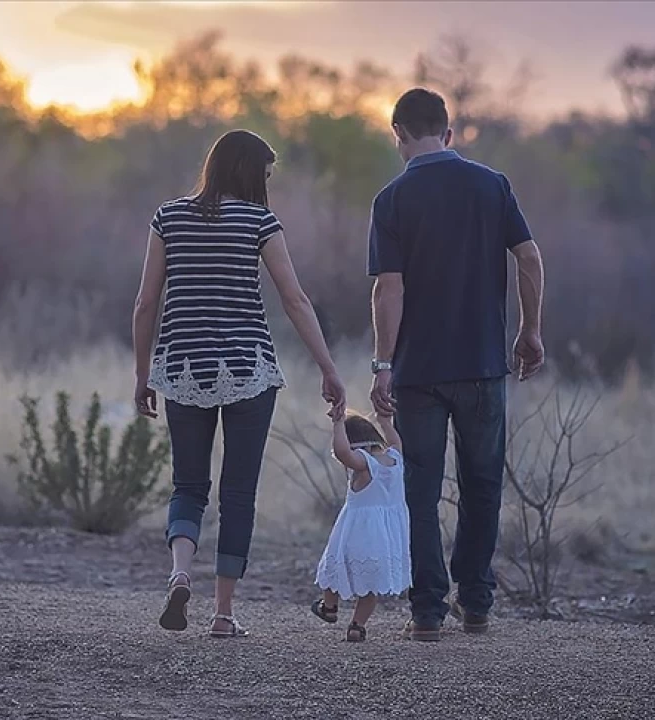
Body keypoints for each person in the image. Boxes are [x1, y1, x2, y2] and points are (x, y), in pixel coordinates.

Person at [132, 129, 347, 638]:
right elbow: (295, 300)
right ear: (250, 173)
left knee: (188, 484)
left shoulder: (168, 217)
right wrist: (328, 368)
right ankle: (224, 614)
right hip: (248, 369)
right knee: (239, 493)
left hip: (182, 368)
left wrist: (144, 375)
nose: (267, 185)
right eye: (266, 175)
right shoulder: (259, 222)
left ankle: (181, 571)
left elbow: (145, 304)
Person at [366, 88, 546, 641]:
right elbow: (529, 257)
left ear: (397, 133)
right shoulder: (492, 185)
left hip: (419, 371)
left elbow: (387, 290)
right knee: (482, 483)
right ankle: (476, 603)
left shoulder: (391, 199)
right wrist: (530, 330)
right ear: (449, 133)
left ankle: (426, 612)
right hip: (483, 364)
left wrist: (382, 363)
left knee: (420, 491)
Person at [310, 412, 411, 643]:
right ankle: (357, 626)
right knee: (370, 586)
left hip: (356, 534)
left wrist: (337, 424)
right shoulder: (395, 459)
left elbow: (343, 453)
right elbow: (396, 441)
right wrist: (386, 421)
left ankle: (330, 607)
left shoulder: (364, 465)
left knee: (333, 568)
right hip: (384, 539)